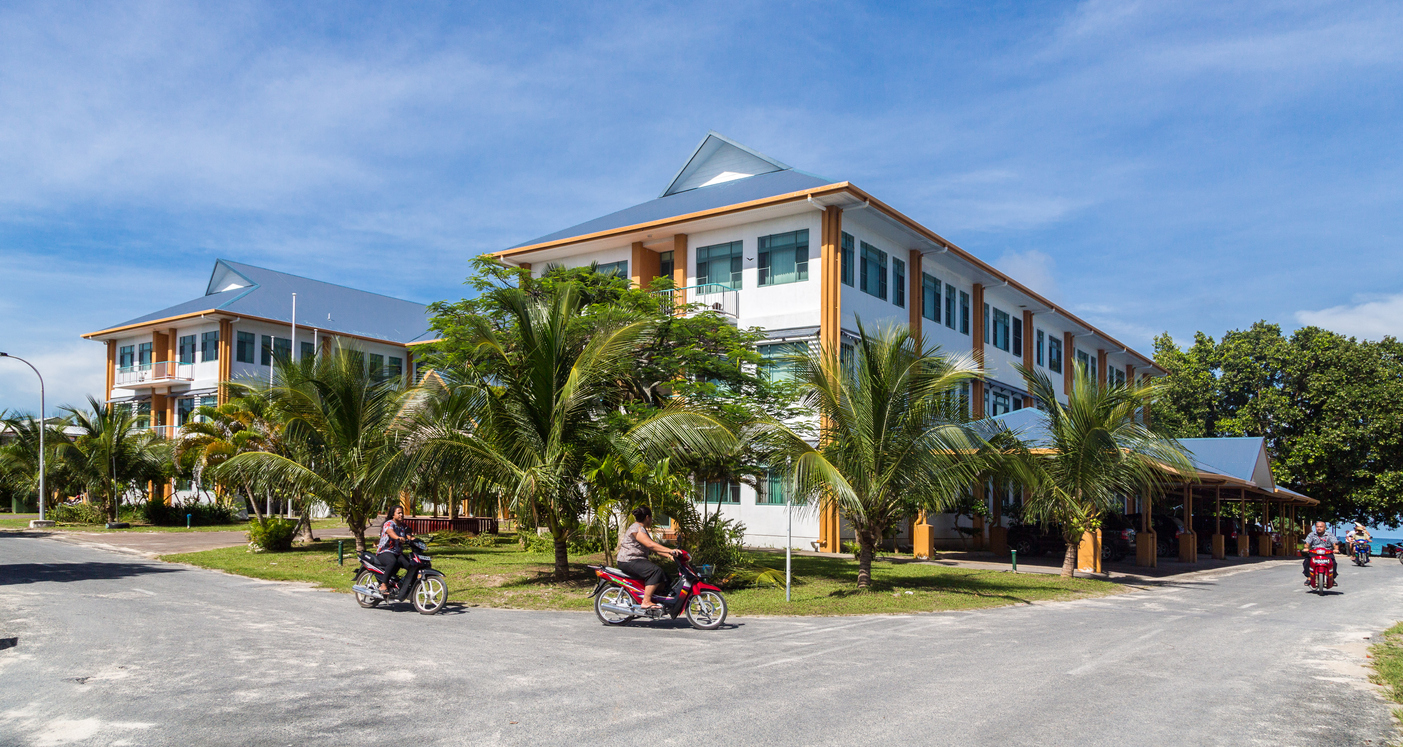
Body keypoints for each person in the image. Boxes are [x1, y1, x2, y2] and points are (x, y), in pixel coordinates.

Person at [616, 506, 677, 609]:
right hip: (629, 560)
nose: (651, 520)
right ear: (647, 517)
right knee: (655, 571)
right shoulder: (636, 528)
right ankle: (646, 601)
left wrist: (669, 556)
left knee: (665, 576)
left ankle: (659, 600)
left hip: (636, 560)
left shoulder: (641, 529)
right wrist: (671, 550)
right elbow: (650, 545)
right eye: (651, 518)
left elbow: (654, 549)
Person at [376, 506, 414, 595]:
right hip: (385, 551)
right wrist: (398, 537)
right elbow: (390, 532)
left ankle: (401, 585)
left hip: (397, 552)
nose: (401, 515)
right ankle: (383, 585)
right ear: (393, 515)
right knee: (392, 561)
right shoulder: (389, 523)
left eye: (402, 513)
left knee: (411, 566)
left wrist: (417, 541)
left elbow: (409, 536)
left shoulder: (403, 526)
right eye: (399, 513)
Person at [1302, 520, 1337, 584]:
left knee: (1333, 563)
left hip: (1327, 552)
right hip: (1314, 552)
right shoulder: (1312, 534)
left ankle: (1332, 578)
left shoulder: (1330, 535)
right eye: (1317, 526)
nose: (1319, 528)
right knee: (1306, 561)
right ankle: (1309, 577)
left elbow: (1335, 543)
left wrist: (1336, 549)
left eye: (1321, 526)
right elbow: (1307, 543)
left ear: (1325, 528)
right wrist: (1306, 548)